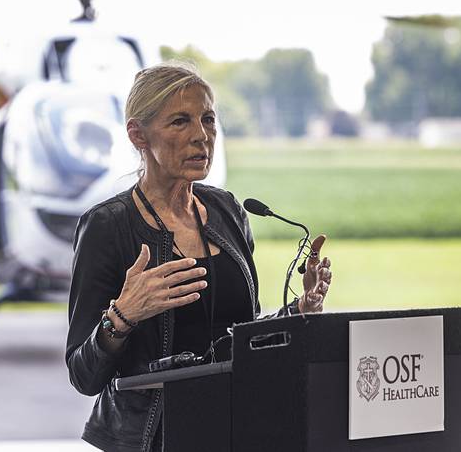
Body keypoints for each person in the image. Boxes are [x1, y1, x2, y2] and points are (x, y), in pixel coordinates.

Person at [65, 62, 333, 452]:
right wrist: (121, 315)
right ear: (138, 135)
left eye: (208, 119)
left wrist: (299, 311)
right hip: (151, 439)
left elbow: (243, 333)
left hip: (236, 428)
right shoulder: (107, 227)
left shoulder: (227, 212)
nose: (201, 136)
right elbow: (82, 375)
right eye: (180, 122)